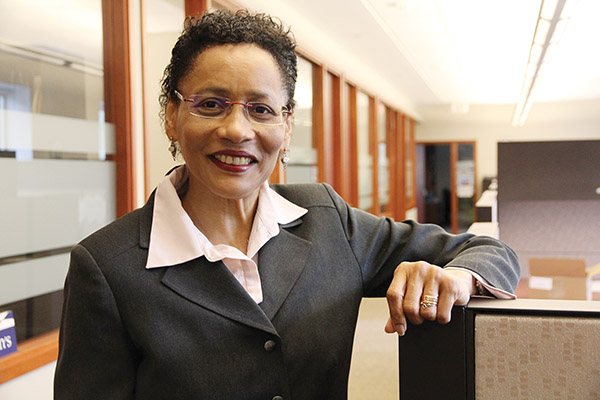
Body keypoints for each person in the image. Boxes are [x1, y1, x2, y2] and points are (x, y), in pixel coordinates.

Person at [54, 9, 520, 400]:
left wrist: (456, 278)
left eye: (260, 109)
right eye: (211, 104)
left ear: (287, 126)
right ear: (171, 116)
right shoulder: (107, 268)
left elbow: (489, 251)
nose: (237, 130)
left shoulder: (328, 220)